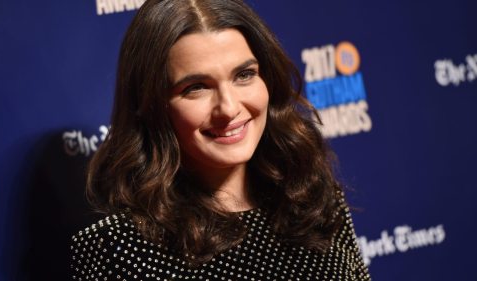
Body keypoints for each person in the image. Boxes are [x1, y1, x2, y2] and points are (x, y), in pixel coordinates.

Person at [71, 0, 371, 280]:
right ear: (151, 105)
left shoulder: (313, 199)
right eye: (196, 87)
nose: (228, 108)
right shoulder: (117, 247)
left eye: (244, 74)